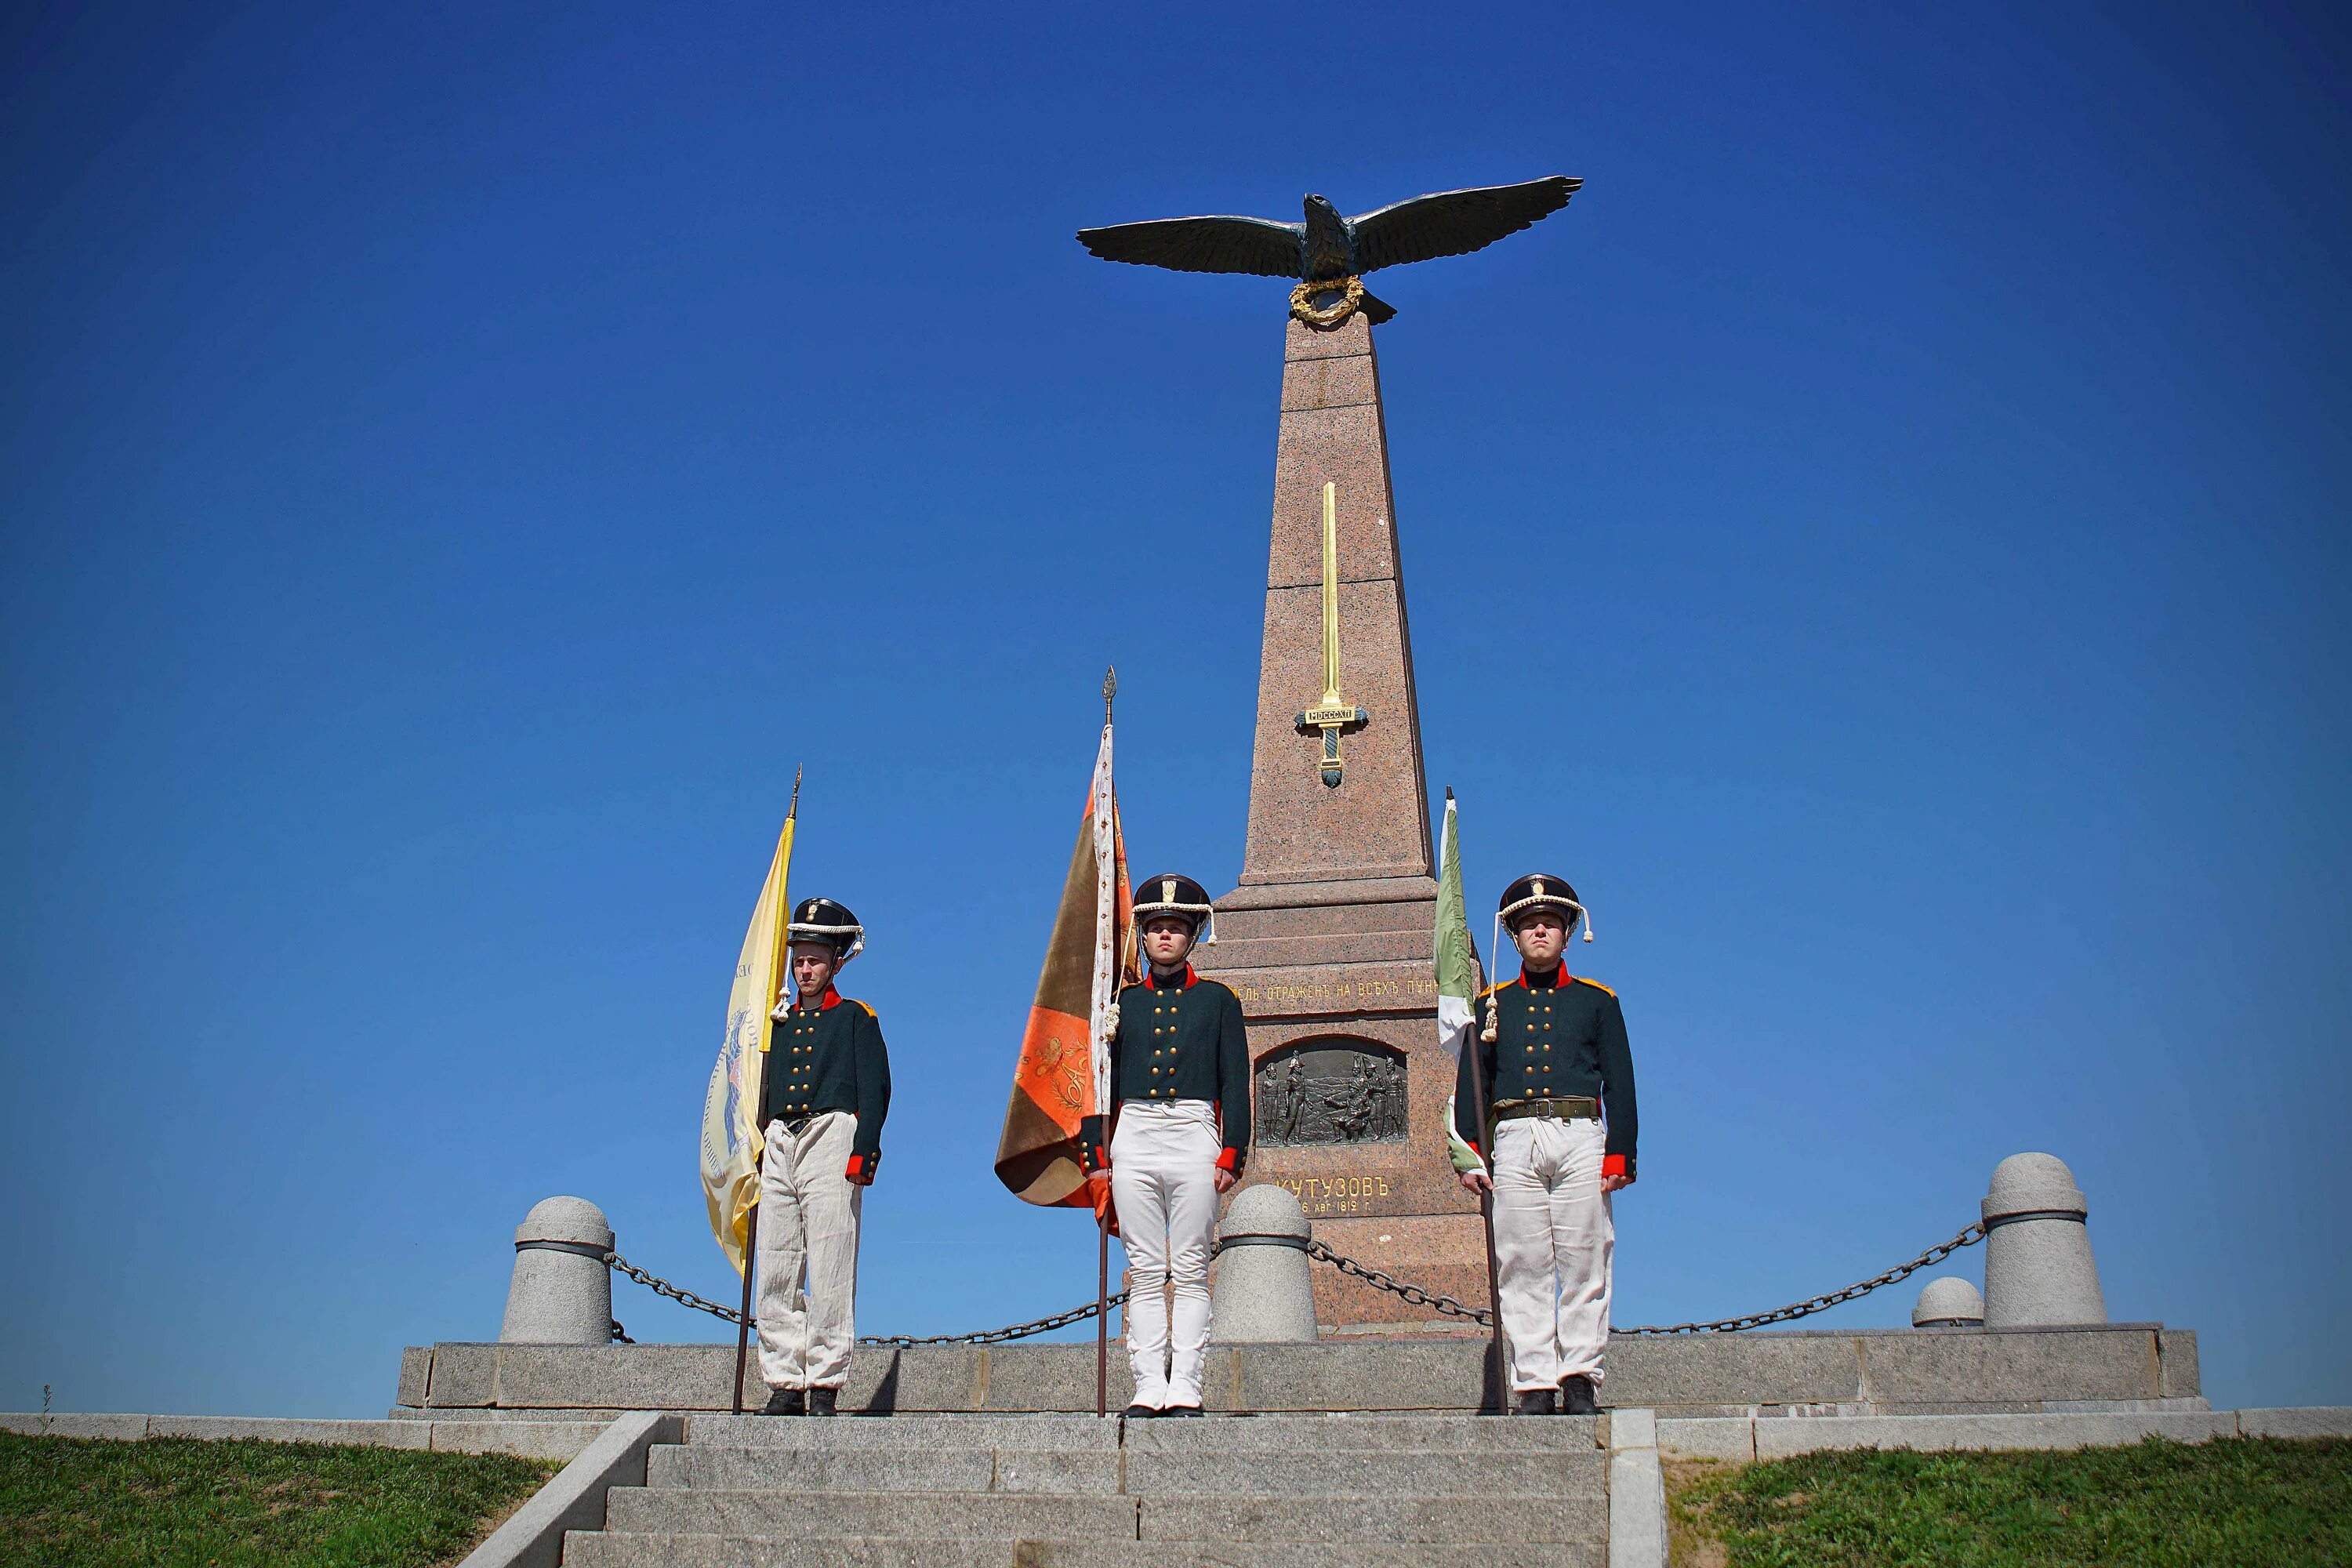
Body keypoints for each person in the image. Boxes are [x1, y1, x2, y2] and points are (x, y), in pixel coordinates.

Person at [1453, 874, 1637, 1416]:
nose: (1540, 929)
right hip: (1513, 1136)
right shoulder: (1491, 1004)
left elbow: (1620, 1080)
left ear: (1566, 933)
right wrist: (1469, 1151)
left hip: (1580, 1133)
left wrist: (1620, 1150)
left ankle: (1580, 1374)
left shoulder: (1597, 1002)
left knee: (1584, 1256)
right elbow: (1474, 1084)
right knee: (1523, 1259)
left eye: (1551, 923)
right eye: (1530, 923)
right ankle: (1534, 1378)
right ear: (1514, 935)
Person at [1080, 874, 1250, 1417]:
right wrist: (1096, 1156)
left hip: (1194, 1131)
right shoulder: (1120, 1004)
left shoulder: (1219, 1002)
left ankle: (1188, 1386)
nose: (1166, 938)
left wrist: (1232, 1152)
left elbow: (1234, 1083)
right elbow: (1096, 1084)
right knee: (1148, 1270)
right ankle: (1149, 1383)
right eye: (1156, 929)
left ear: (1193, 935)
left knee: (1194, 1267)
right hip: (1136, 1135)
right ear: (1144, 937)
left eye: (1176, 928)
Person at [753, 896, 891, 1417]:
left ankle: (826, 1382)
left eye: (814, 959)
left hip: (831, 1135)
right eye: (799, 958)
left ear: (836, 962)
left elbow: (876, 1089)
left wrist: (864, 1152)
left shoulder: (857, 1018)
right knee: (777, 1260)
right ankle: (784, 1380)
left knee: (831, 1260)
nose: (804, 968)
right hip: (780, 1139)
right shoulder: (778, 1024)